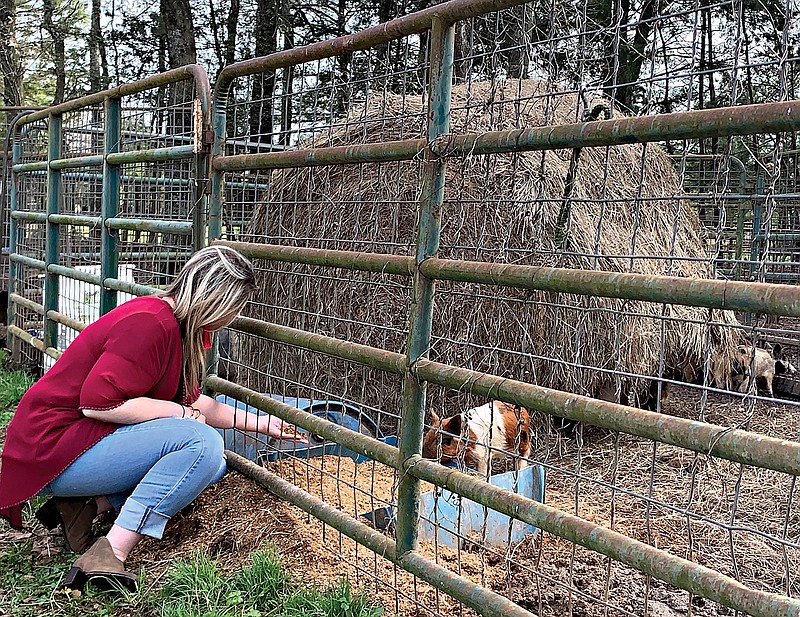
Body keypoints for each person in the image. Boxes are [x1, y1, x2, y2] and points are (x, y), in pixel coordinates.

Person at [0, 245, 304, 592]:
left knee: (212, 464)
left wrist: (264, 424)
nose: (231, 319)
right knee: (201, 445)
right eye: (233, 308)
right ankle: (109, 551)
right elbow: (97, 404)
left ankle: (87, 506)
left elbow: (194, 402)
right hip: (54, 448)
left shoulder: (175, 326)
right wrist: (181, 414)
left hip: (79, 447)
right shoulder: (150, 324)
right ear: (217, 299)